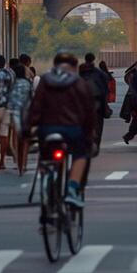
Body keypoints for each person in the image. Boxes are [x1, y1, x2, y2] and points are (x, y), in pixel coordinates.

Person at [27, 52, 95, 209]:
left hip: (47, 129)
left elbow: (35, 106)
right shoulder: (79, 82)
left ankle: (47, 181)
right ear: (74, 66)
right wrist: (89, 135)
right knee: (80, 155)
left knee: (45, 155)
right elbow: (89, 112)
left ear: (55, 65)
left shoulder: (45, 80)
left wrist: (29, 128)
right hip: (72, 129)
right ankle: (72, 188)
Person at [79, 53, 110, 151]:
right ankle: (96, 144)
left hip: (82, 102)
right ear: (93, 59)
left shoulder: (80, 72)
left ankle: (84, 142)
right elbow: (105, 84)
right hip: (97, 101)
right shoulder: (98, 72)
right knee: (98, 124)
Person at [8, 65, 32, 174]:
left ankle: (18, 163)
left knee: (17, 139)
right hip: (26, 113)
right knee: (26, 139)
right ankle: (25, 163)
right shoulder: (28, 83)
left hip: (15, 113)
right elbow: (31, 98)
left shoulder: (12, 84)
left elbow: (10, 98)